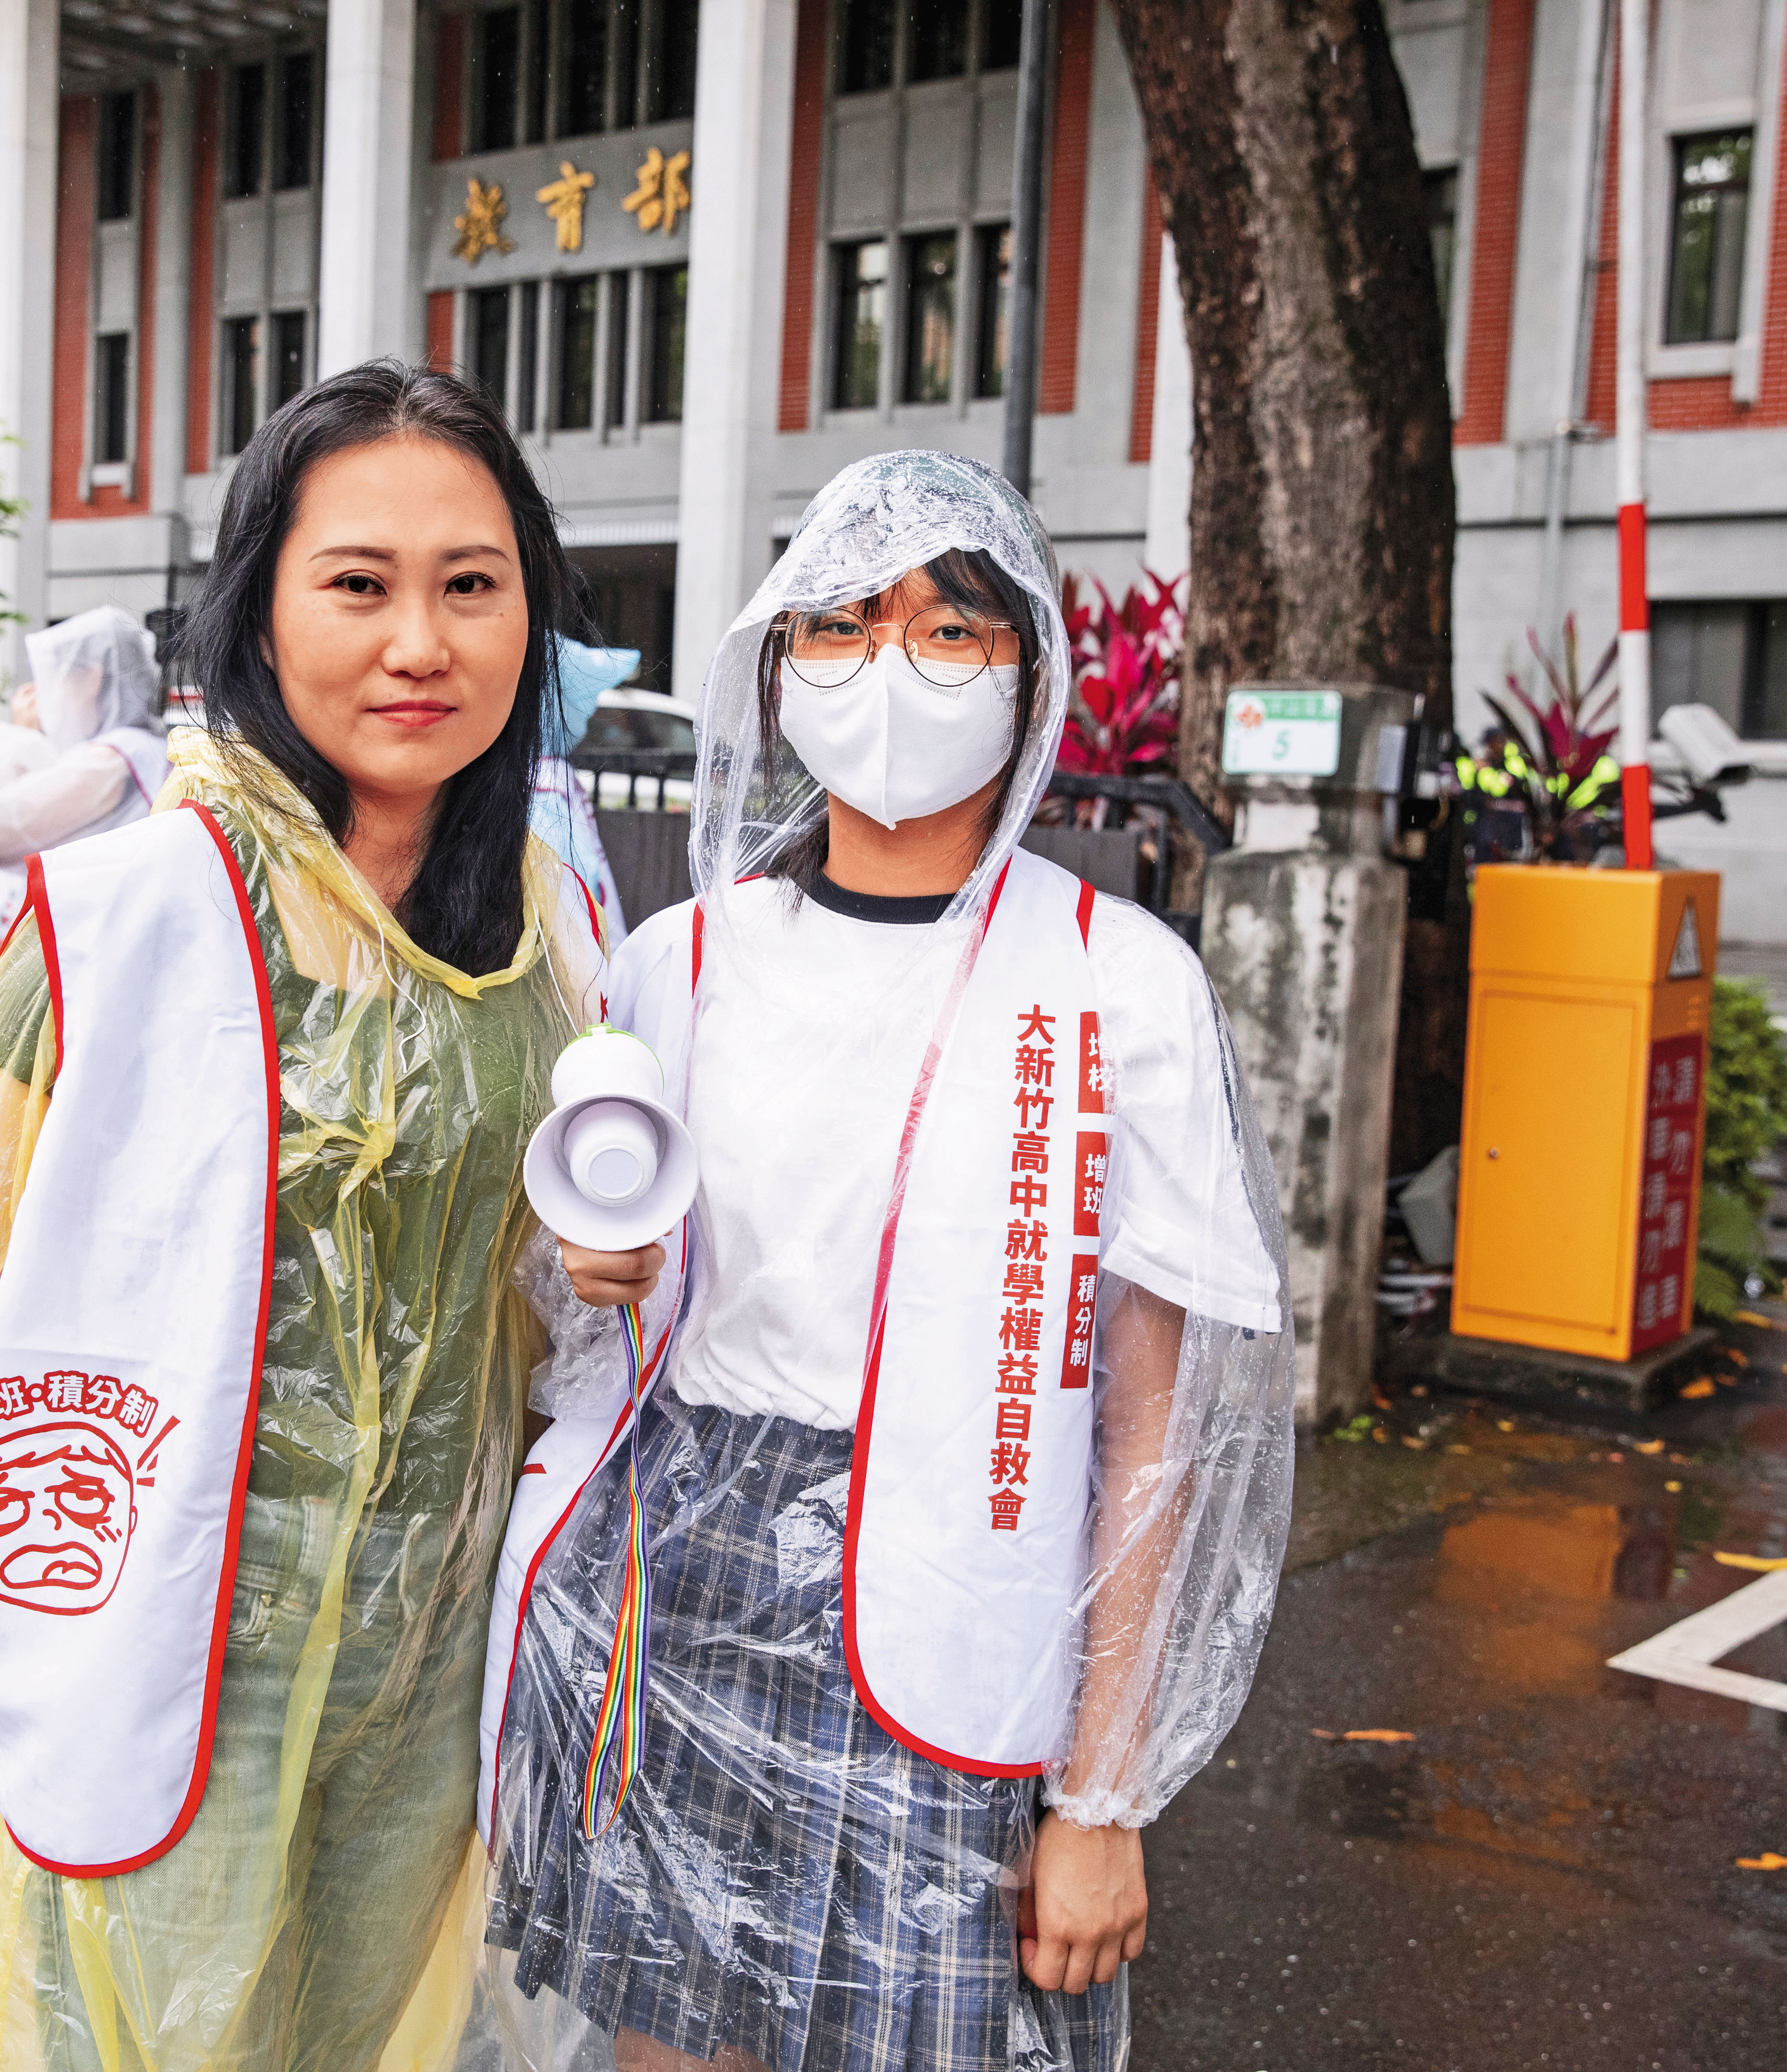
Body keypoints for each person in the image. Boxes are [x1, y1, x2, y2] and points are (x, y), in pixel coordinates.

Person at [479, 452, 1295, 2072]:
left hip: (961, 1585)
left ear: (1026, 671)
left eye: (945, 628)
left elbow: (1153, 1439)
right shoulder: (681, 961)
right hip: (678, 1584)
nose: (886, 669)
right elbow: (580, 1303)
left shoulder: (1116, 986)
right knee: (667, 2042)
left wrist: (1102, 1795)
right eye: (841, 624)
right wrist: (595, 1273)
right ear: (779, 668)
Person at [0, 362, 602, 2069]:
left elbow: (550, 1276)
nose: (419, 643)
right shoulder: (127, 917)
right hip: (183, 1651)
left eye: (472, 585)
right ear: (262, 610)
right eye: (358, 583)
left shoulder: (548, 927)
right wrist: (113, 1537)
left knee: (389, 2032)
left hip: (435, 1679)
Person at [0, 606, 172, 942]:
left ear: (91, 679)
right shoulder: (141, 751)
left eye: (57, 676)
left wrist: (21, 738)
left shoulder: (113, 758)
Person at [529, 636, 636, 944]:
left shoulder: (534, 773)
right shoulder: (545, 781)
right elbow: (571, 882)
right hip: (575, 965)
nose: (589, 717)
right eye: (585, 702)